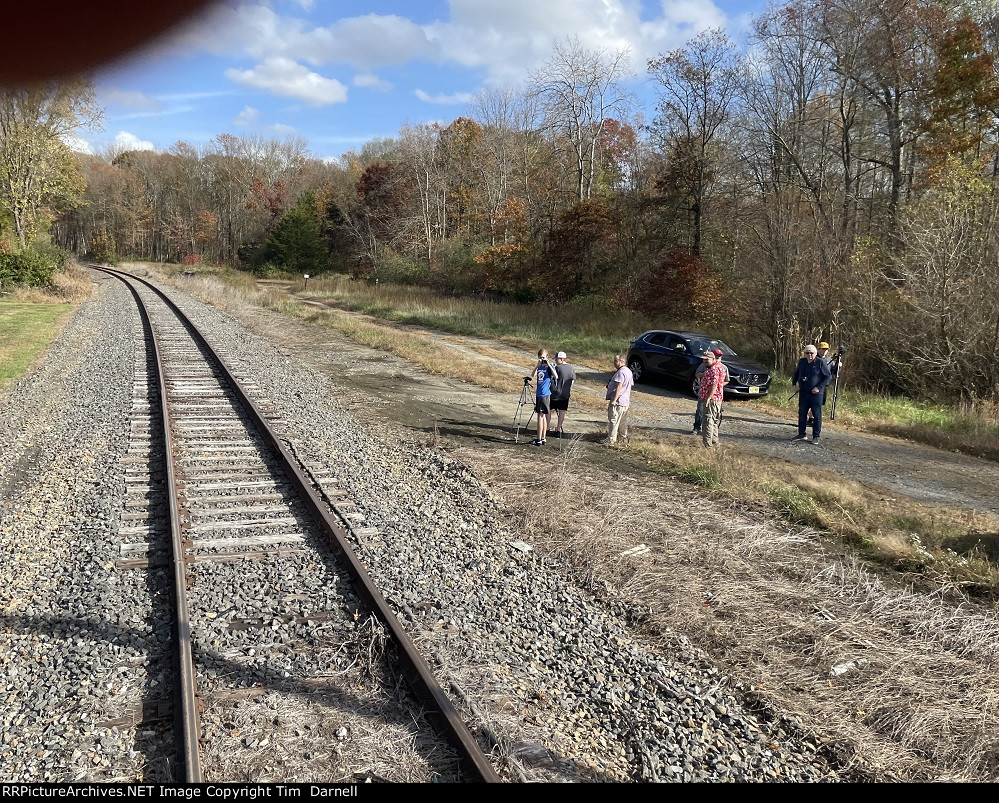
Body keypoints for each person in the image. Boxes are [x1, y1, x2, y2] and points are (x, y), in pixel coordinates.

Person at [791, 344, 831, 445]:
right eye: (807, 353)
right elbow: (796, 373)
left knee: (816, 415)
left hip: (816, 394)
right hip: (804, 392)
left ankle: (816, 436)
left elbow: (828, 377)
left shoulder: (820, 362)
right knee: (802, 413)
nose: (809, 355)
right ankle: (801, 434)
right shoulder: (802, 362)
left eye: (811, 353)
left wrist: (818, 387)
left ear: (815, 353)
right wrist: (794, 383)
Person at [693, 348, 729, 434]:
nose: (717, 358)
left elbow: (727, 380)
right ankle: (697, 427)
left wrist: (718, 386)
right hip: (703, 392)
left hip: (716, 395)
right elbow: (697, 374)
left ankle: (710, 433)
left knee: (713, 414)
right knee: (700, 409)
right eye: (716, 356)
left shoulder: (723, 367)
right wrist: (705, 375)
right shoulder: (704, 365)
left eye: (719, 356)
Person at [698, 350, 726, 447]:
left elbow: (714, 385)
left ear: (713, 359)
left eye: (707, 359)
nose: (705, 361)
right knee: (713, 421)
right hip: (717, 398)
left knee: (708, 422)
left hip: (712, 399)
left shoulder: (713, 369)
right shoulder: (720, 367)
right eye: (704, 359)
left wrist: (708, 398)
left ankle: (707, 445)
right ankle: (715, 442)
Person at [604, 354, 634, 444]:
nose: (614, 362)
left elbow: (619, 387)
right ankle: (623, 438)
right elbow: (631, 384)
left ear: (621, 362)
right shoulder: (629, 371)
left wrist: (614, 400)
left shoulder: (621, 372)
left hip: (618, 401)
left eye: (615, 361)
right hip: (625, 401)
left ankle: (611, 440)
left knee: (614, 420)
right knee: (622, 422)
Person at [548, 351, 577, 437]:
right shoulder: (571, 367)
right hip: (565, 393)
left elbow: (551, 377)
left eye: (556, 359)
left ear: (561, 359)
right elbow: (573, 380)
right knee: (562, 412)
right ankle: (558, 429)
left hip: (555, 393)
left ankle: (547, 428)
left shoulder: (557, 368)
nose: (556, 361)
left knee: (548, 410)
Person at [532, 349, 555, 446]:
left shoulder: (549, 367)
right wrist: (537, 365)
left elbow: (556, 376)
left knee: (540, 417)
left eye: (544, 357)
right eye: (541, 357)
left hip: (544, 394)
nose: (542, 359)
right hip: (539, 393)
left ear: (547, 357)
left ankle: (539, 438)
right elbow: (532, 375)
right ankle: (542, 438)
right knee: (543, 416)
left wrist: (549, 365)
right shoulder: (539, 367)